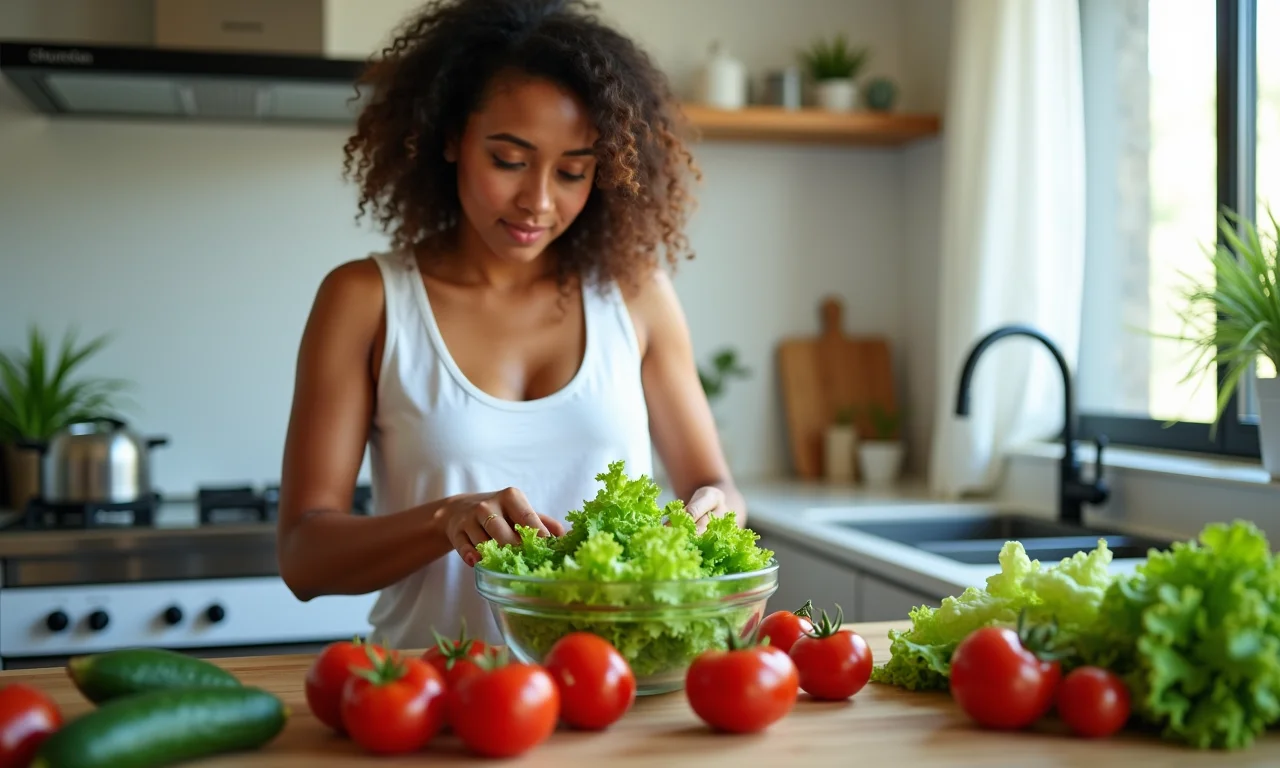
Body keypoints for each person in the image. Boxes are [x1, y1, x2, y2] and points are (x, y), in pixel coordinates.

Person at [274, 0, 747, 651]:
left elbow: (714, 486)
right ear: (450, 138)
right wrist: (445, 519)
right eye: (509, 160)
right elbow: (304, 558)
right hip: (429, 695)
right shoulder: (366, 299)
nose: (539, 201)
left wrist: (711, 512)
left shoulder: (637, 295)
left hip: (606, 691)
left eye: (574, 171)